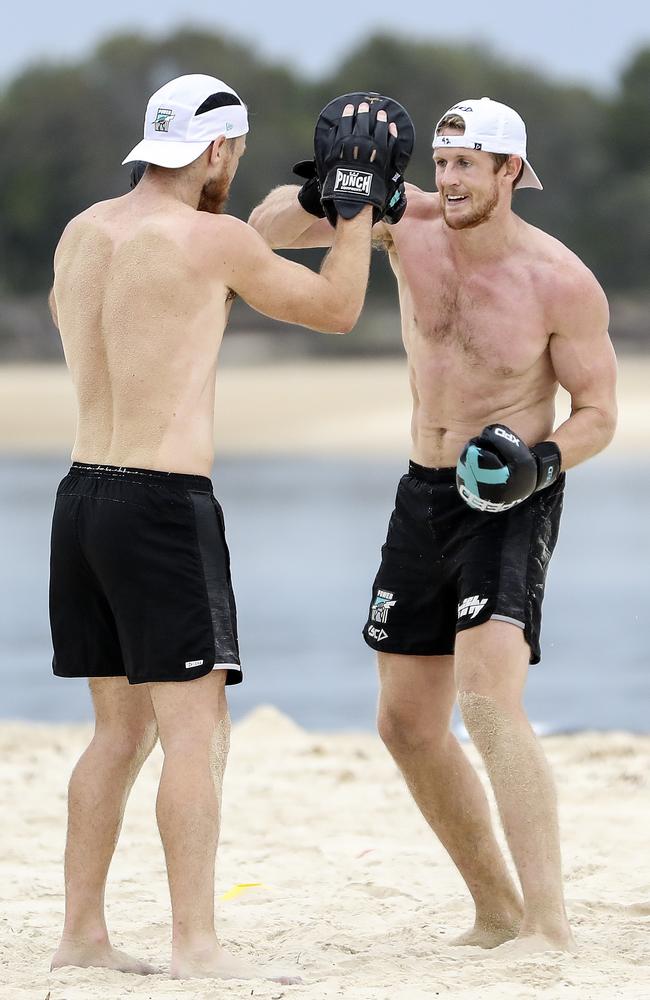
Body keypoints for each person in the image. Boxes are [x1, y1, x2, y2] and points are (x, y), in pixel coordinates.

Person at [47, 73, 400, 982]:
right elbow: (335, 309)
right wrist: (356, 217)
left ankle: (80, 935)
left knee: (115, 736)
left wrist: (280, 224)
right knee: (196, 734)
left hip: (81, 495)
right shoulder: (213, 242)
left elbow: (191, 289)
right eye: (232, 161)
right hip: (162, 506)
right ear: (217, 150)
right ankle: (196, 946)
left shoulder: (84, 234)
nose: (232, 177)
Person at [249, 96, 617, 954]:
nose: (446, 179)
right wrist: (339, 189)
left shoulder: (559, 279)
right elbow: (263, 229)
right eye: (442, 161)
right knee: (406, 725)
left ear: (510, 173)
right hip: (422, 488)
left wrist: (543, 462)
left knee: (488, 706)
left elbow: (598, 412)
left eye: (466, 165)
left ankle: (550, 925)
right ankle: (496, 912)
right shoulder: (402, 220)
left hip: (509, 497)